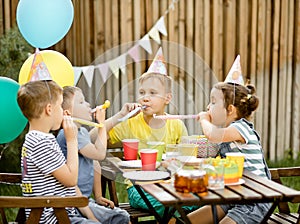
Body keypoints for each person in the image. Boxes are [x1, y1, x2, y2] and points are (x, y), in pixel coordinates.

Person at [105, 47, 192, 218]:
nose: (145, 98)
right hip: (139, 188)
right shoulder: (130, 123)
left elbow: (186, 159)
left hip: (170, 186)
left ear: (167, 98)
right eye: (142, 93)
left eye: (153, 93)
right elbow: (98, 139)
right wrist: (120, 115)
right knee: (171, 207)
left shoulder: (176, 125)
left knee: (194, 205)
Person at [187, 81, 271, 224]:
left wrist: (204, 120)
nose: (208, 107)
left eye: (213, 102)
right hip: (233, 197)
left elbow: (212, 134)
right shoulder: (226, 133)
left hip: (255, 200)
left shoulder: (241, 128)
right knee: (186, 220)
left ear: (230, 109)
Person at [56, 86, 130, 224]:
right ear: (68, 113)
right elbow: (99, 153)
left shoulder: (82, 132)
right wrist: (101, 124)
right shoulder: (68, 135)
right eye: (81, 102)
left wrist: (99, 196)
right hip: (71, 203)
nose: (88, 104)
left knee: (122, 217)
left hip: (85, 200)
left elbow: (95, 162)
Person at [17, 80, 86, 223]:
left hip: (56, 214)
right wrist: (72, 140)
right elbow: (71, 179)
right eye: (60, 105)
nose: (64, 111)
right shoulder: (42, 142)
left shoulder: (33, 139)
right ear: (49, 109)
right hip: (55, 218)